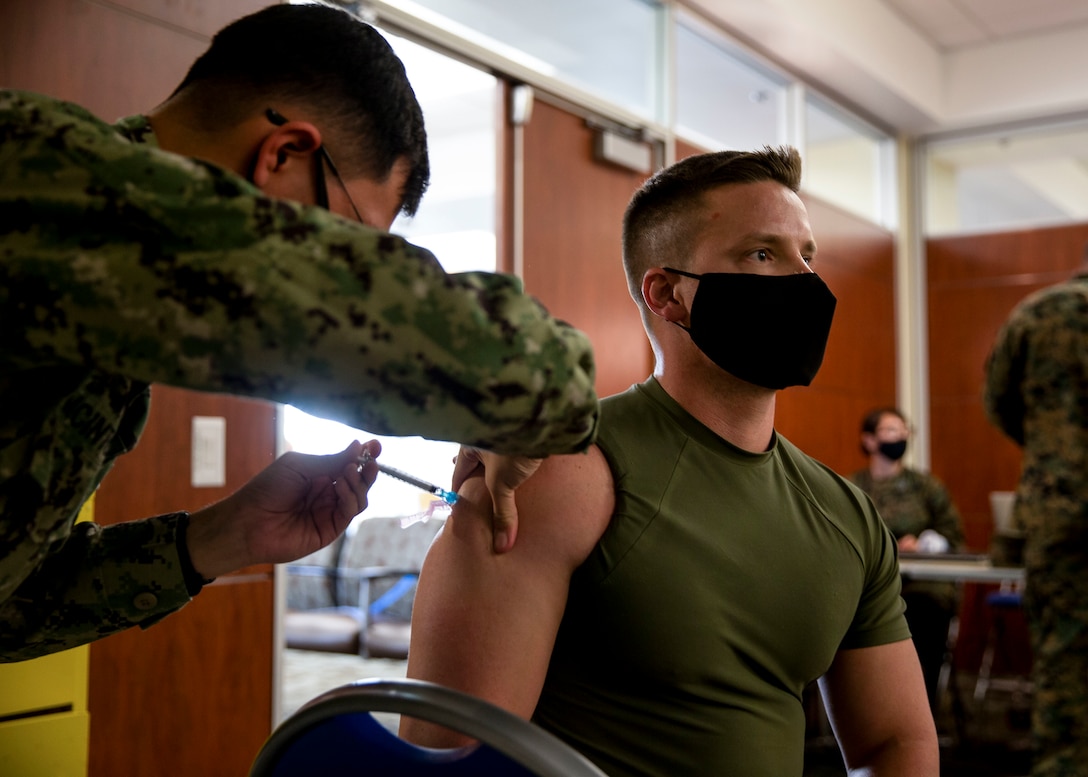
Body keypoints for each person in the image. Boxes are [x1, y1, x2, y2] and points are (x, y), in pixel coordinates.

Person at [0, 3, 598, 662]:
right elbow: (544, 377)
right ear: (283, 152)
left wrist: (222, 537)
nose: (339, 268)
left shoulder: (99, 298)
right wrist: (518, 413)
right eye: (345, 242)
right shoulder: (41, 173)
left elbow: (12, 602)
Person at [402, 147, 938, 776]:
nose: (806, 282)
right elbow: (451, 756)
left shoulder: (846, 515)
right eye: (763, 254)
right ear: (668, 295)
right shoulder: (548, 471)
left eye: (807, 256)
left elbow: (895, 743)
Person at [983, 246, 1088, 777]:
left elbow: (998, 402)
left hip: (1061, 520)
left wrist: (1055, 454)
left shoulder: (1038, 314)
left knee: (1065, 667)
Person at [848, 407, 966, 711]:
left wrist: (925, 542)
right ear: (870, 440)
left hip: (923, 588)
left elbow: (953, 536)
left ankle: (919, 714)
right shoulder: (851, 488)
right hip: (867, 587)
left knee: (923, 618)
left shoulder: (926, 487)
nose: (899, 437)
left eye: (904, 430)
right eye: (890, 430)